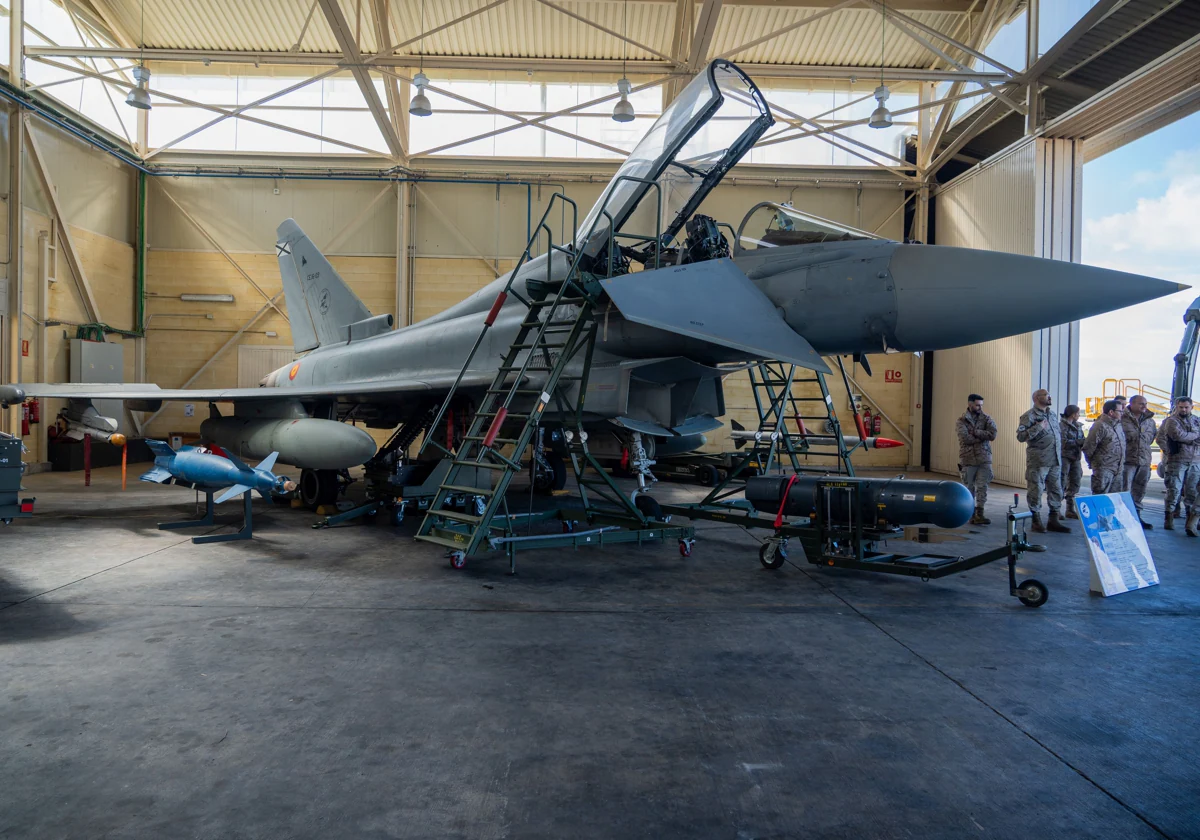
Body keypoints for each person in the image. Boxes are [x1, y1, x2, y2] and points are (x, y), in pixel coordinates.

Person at [1016, 389, 1070, 533]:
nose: (1049, 397)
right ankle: (1036, 520)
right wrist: (1038, 427)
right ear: (1036, 398)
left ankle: (1053, 519)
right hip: (1039, 461)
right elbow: (1021, 437)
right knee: (1036, 490)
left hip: (1054, 460)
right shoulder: (1029, 416)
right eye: (1046, 395)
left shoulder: (1051, 414)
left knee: (1056, 489)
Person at [1158, 397, 1200, 534]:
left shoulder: (1196, 420)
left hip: (1195, 460)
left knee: (1192, 491)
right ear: (1176, 407)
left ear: (1191, 407)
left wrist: (1190, 437)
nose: (1183, 410)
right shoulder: (1171, 421)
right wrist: (1194, 436)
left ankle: (1190, 521)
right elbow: (1178, 436)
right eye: (1181, 407)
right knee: (1174, 489)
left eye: (1186, 407)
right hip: (1177, 460)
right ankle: (1169, 517)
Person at [956, 393, 997, 525]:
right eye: (977, 405)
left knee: (982, 486)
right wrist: (982, 437)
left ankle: (980, 513)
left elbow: (993, 434)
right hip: (968, 458)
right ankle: (970, 513)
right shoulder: (961, 420)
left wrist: (977, 432)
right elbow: (965, 438)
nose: (980, 407)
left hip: (984, 458)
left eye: (981, 405)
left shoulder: (986, 418)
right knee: (968, 488)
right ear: (970, 404)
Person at [1120, 394, 1157, 529]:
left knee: (1140, 490)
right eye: (1141, 404)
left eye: (1145, 404)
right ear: (1132, 404)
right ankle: (1123, 517)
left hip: (1144, 460)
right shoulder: (1122, 419)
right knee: (1124, 490)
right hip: (1127, 460)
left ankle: (1137, 516)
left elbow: (1152, 437)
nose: (1144, 407)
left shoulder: (1149, 421)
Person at [1084, 399, 1127, 496]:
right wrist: (1095, 464)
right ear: (1111, 412)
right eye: (1120, 411)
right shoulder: (1100, 425)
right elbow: (1088, 447)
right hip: (1104, 469)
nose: (1122, 413)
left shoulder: (1118, 425)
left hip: (1118, 469)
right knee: (1101, 497)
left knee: (1115, 498)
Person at [1060, 405, 1086, 519]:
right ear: (1072, 414)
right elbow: (1062, 442)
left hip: (1075, 458)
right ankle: (1056, 510)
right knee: (1061, 482)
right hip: (1064, 457)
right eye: (1078, 413)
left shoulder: (1078, 426)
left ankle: (1070, 509)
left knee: (1075, 482)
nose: (1079, 415)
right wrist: (1078, 442)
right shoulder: (1062, 426)